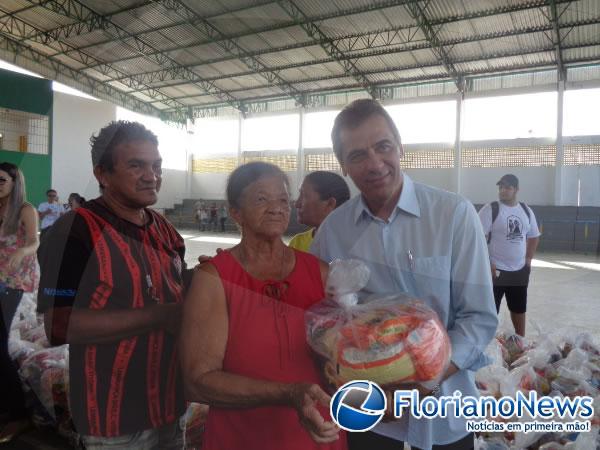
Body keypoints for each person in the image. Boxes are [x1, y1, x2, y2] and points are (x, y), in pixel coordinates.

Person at [310, 99, 498, 450]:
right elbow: (324, 322)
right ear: (343, 166)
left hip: (445, 413)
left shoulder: (453, 215)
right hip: (370, 417)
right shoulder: (333, 232)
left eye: (383, 147)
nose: (375, 164)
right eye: (357, 155)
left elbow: (480, 318)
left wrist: (423, 385)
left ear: (400, 147)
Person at [37, 121, 188, 449]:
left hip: (170, 405)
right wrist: (160, 315)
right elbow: (58, 325)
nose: (152, 175)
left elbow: (180, 291)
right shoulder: (73, 232)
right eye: (136, 165)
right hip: (113, 418)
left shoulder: (165, 230)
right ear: (102, 174)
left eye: (156, 165)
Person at [180, 161, 346, 450]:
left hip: (317, 434)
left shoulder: (320, 272)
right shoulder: (215, 278)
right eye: (261, 199)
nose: (277, 207)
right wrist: (288, 393)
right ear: (235, 212)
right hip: (243, 437)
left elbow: (339, 355)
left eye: (283, 199)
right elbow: (199, 380)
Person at [0, 162, 39, 443]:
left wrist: (24, 249)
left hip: (17, 282)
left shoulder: (25, 209)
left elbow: (35, 242)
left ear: (14, 182)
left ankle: (18, 414)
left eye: (1, 180)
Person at [478, 174, 540, 337]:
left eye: (507, 187)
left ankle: (521, 342)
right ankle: (487, 343)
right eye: (501, 187)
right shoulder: (490, 209)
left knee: (519, 308)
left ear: (516, 190)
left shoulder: (526, 211)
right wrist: (487, 262)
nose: (503, 191)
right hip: (495, 271)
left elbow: (534, 236)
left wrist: (528, 260)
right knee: (490, 310)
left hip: (519, 270)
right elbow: (478, 237)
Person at [290, 171, 350, 252]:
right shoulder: (297, 243)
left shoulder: (351, 246)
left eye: (304, 196)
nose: (297, 204)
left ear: (330, 204)